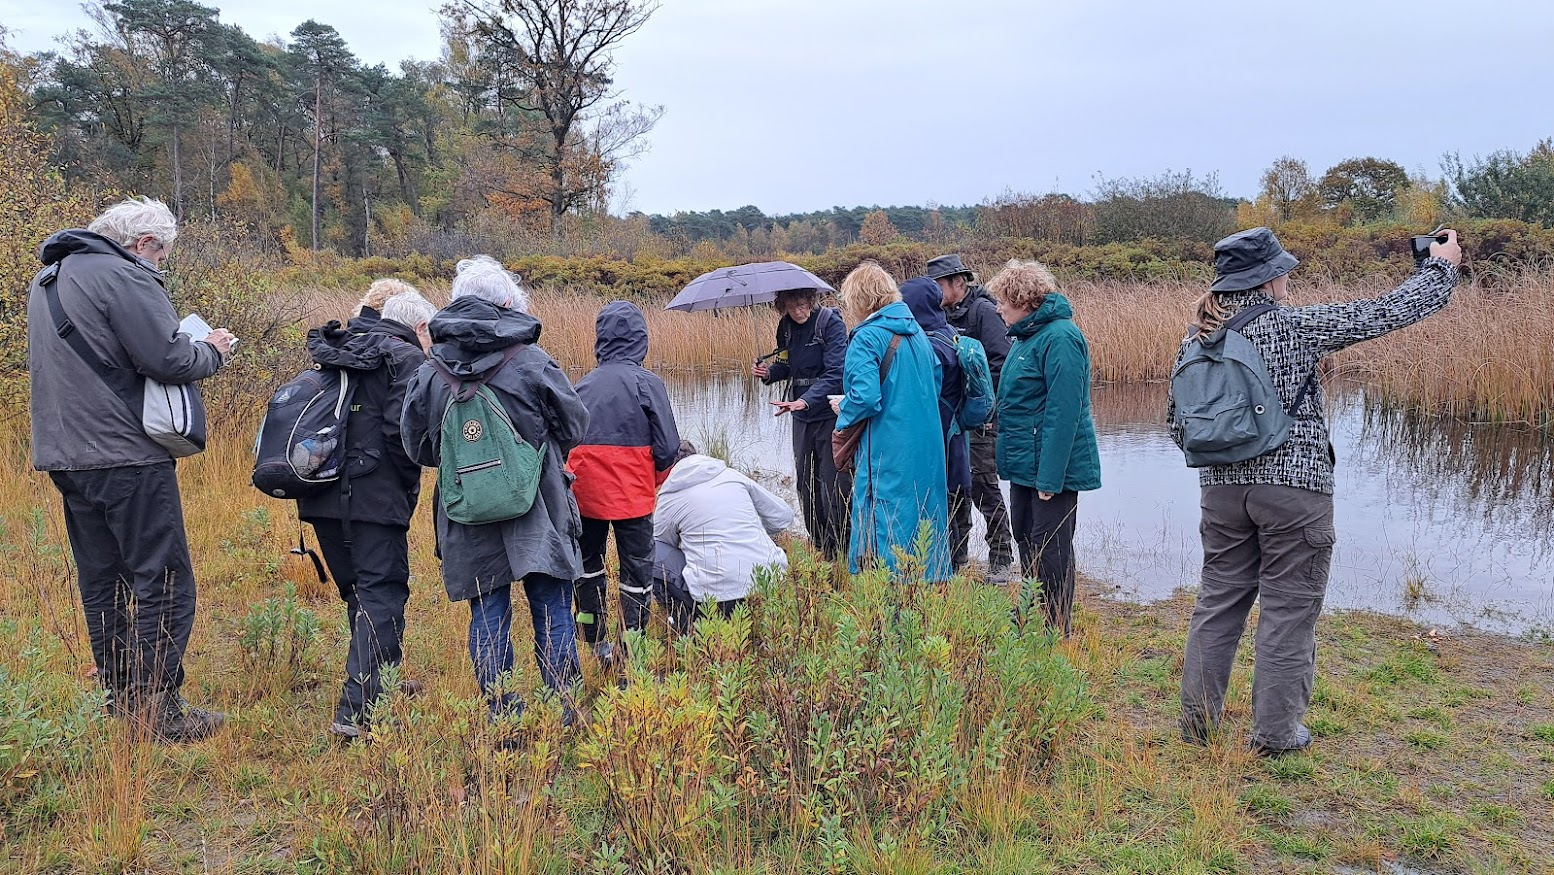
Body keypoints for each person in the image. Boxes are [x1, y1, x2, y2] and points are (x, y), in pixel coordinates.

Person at [1173, 227, 1462, 756]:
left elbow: (1178, 426)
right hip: (1294, 491)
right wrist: (1440, 266)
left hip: (1219, 492)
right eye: (1283, 269)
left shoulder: (1194, 340)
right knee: (1289, 608)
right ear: (1268, 278)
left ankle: (1197, 727)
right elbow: (1384, 312)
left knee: (1217, 603)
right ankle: (1277, 735)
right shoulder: (1294, 327)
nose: (1288, 276)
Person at [27, 196, 236, 743]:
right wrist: (211, 349)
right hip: (125, 453)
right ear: (144, 243)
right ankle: (159, 711)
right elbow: (169, 358)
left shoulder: (49, 277)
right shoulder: (124, 277)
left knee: (103, 579)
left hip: (65, 454)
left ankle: (122, 699)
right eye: (163, 253)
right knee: (163, 578)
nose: (162, 263)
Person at [400, 256, 589, 721]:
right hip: (540, 505)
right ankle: (564, 708)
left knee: (487, 609)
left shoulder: (429, 371)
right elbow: (576, 424)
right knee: (551, 602)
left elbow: (417, 449)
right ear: (507, 303)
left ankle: (502, 715)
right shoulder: (530, 360)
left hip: (465, 510)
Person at [297, 288, 434, 741]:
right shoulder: (407, 358)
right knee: (383, 593)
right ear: (418, 328)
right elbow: (402, 434)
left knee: (361, 593)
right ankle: (357, 713)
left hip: (319, 492)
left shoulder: (344, 345)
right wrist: (418, 470)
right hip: (373, 498)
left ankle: (381, 682)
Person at [987, 259, 1100, 636]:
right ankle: (1033, 616)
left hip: (1052, 468)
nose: (998, 308)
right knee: (1025, 535)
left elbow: (1063, 413)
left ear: (1024, 300)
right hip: (1025, 463)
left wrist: (1050, 478)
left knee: (1051, 547)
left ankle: (1055, 627)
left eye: (1003, 300)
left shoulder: (1061, 338)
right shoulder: (1025, 338)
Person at [567, 300, 680, 666]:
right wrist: (653, 479)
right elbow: (668, 447)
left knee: (588, 565)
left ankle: (594, 639)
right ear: (640, 341)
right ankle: (631, 641)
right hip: (633, 496)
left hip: (585, 494)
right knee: (636, 570)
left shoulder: (581, 384)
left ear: (600, 340)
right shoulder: (648, 384)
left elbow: (565, 441)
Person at [829, 262, 950, 581]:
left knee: (884, 525)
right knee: (923, 523)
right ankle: (925, 608)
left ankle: (886, 616)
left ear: (859, 300)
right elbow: (935, 384)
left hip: (888, 449)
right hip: (927, 450)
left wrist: (844, 408)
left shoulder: (866, 337)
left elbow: (866, 397)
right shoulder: (919, 334)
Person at [928, 254, 1016, 583]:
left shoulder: (983, 312)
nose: (936, 290)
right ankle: (957, 553)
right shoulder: (940, 315)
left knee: (982, 485)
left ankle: (1001, 556)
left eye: (940, 284)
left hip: (980, 419)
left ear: (958, 283)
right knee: (956, 486)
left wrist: (982, 404)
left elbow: (1002, 363)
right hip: (953, 420)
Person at [651, 440, 794, 632]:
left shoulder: (670, 494)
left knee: (649, 551)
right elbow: (782, 516)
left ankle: (686, 621)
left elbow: (662, 541)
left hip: (715, 594)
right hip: (768, 579)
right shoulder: (731, 476)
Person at [754, 288, 850, 561]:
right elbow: (785, 366)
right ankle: (819, 544)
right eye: (791, 306)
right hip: (800, 415)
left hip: (829, 412)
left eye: (802, 303)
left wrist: (805, 401)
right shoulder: (785, 327)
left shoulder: (830, 323)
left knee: (832, 483)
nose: (798, 311)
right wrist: (767, 373)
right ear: (782, 306)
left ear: (811, 300)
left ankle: (840, 548)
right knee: (805, 482)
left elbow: (836, 374)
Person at [899, 276, 972, 572]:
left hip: (936, 437)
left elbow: (917, 398)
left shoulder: (928, 348)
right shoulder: (950, 333)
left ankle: (948, 565)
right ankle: (959, 559)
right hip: (956, 433)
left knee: (941, 499)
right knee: (957, 494)